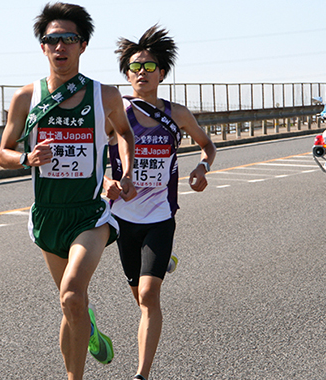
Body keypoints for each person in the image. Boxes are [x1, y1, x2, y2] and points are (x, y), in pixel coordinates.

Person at [0, 3, 137, 379]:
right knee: (70, 305)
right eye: (52, 40)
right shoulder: (27, 98)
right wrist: (27, 158)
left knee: (72, 294)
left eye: (69, 40)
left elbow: (124, 134)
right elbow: (2, 154)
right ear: (43, 47)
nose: (60, 47)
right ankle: (86, 324)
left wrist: (125, 173)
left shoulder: (104, 95)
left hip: (89, 213)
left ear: (83, 45)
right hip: (48, 214)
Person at [103, 25, 216, 380]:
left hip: (160, 216)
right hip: (123, 218)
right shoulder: (114, 113)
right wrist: (108, 181)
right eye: (135, 67)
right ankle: (164, 262)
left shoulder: (177, 114)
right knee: (140, 299)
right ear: (126, 74)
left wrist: (201, 166)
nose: (141, 73)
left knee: (150, 297)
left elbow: (207, 144)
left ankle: (141, 375)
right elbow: (90, 156)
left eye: (149, 67)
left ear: (162, 73)